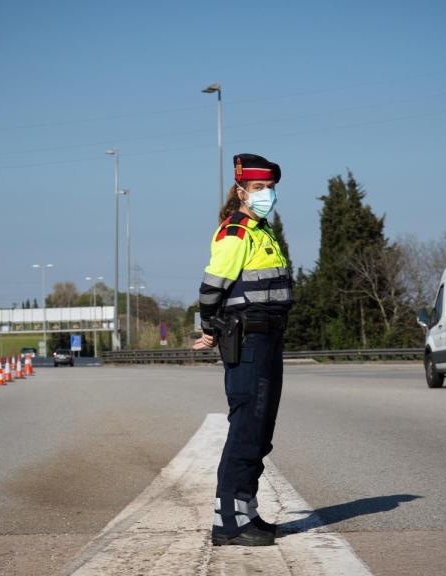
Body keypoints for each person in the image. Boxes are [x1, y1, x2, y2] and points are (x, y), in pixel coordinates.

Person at [193, 153, 293, 546]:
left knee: (260, 430)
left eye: (270, 187)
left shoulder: (262, 231)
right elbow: (211, 288)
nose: (267, 193)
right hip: (248, 340)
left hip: (268, 340)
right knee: (247, 427)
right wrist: (208, 328)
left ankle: (246, 510)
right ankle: (228, 524)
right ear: (241, 191)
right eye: (258, 187)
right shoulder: (235, 232)